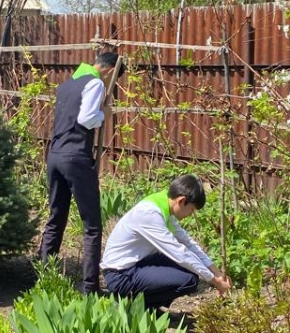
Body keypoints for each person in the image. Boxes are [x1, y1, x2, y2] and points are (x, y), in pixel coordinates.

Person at [39, 52, 122, 294]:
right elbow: (86, 119)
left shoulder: (67, 85)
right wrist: (104, 114)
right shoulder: (95, 82)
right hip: (76, 158)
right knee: (92, 226)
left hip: (54, 156)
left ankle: (46, 280)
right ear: (107, 71)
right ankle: (90, 288)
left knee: (56, 219)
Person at [100, 174, 231, 311]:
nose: (191, 214)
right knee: (188, 280)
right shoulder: (150, 214)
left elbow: (188, 244)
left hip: (135, 264)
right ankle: (139, 307)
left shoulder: (165, 206)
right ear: (181, 201)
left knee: (189, 270)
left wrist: (218, 274)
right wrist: (214, 281)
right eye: (192, 209)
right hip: (120, 276)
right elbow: (180, 253)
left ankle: (148, 308)